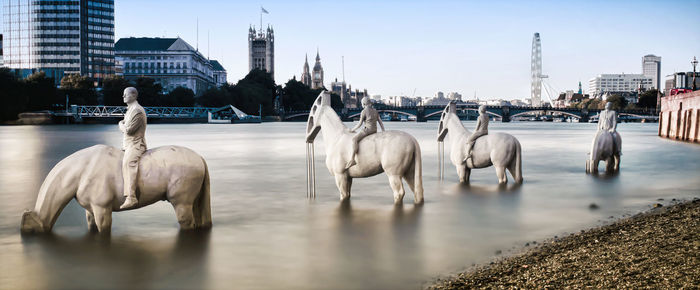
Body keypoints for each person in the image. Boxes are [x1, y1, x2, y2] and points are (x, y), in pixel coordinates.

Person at [119, 87, 147, 209]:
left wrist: (120, 124)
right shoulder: (130, 109)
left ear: (134, 96)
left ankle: (131, 197)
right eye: (123, 94)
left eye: (126, 94)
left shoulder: (137, 110)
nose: (123, 97)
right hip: (128, 144)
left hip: (136, 144)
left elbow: (129, 130)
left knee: (128, 163)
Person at [346, 96, 385, 170]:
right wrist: (383, 131)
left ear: (363, 104)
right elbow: (380, 122)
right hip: (374, 130)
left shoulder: (363, 111)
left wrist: (352, 130)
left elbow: (359, 124)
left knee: (354, 140)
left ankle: (352, 159)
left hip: (367, 130)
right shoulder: (375, 110)